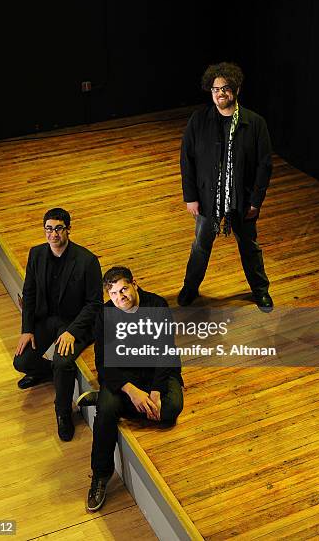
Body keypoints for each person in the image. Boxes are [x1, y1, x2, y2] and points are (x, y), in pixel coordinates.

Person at [79, 266, 183, 512]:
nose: (119, 297)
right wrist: (131, 391)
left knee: (170, 410)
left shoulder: (157, 306)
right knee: (106, 412)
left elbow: (165, 351)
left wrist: (156, 391)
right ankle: (100, 476)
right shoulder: (105, 314)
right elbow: (102, 362)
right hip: (123, 376)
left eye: (123, 289)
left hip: (155, 371)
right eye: (113, 294)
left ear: (135, 284)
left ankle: (104, 399)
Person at [178, 62, 273, 310]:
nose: (220, 93)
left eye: (226, 88)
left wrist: (255, 201)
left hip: (241, 200)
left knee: (250, 247)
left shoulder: (256, 123)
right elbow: (186, 159)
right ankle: (190, 288)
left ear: (237, 89)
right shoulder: (199, 121)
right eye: (215, 89)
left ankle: (260, 291)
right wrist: (191, 197)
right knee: (200, 246)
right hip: (207, 199)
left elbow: (264, 166)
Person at [13, 208, 103, 441]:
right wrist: (27, 329)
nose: (53, 234)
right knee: (21, 361)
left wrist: (72, 332)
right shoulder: (36, 254)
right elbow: (29, 293)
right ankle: (46, 373)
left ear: (68, 230)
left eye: (58, 228)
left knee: (63, 363)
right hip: (47, 319)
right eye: (48, 229)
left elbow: (94, 304)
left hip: (73, 323)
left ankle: (63, 412)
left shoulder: (87, 261)